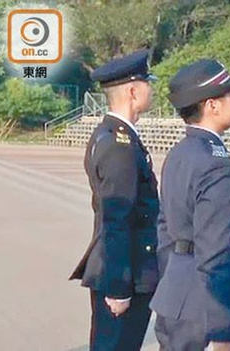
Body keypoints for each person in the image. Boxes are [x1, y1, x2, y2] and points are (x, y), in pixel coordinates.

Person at [149, 59, 230, 351]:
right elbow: (215, 251)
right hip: (207, 305)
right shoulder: (214, 164)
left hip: (178, 292)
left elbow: (164, 229)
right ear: (213, 105)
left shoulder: (181, 153)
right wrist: (220, 330)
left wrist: (173, 280)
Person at [69, 49, 159, 350]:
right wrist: (119, 287)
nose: (153, 89)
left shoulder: (114, 135)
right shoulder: (119, 144)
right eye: (148, 83)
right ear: (133, 91)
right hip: (126, 273)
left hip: (127, 267)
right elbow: (117, 217)